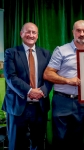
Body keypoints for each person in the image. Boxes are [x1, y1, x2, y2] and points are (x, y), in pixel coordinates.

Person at [2, 22, 53, 150]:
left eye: (34, 32)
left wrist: (42, 91)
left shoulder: (46, 54)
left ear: (37, 35)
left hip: (39, 107)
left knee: (38, 143)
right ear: (21, 34)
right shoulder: (11, 53)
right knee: (16, 144)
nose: (31, 35)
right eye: (28, 32)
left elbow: (50, 77)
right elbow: (10, 77)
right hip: (17, 106)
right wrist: (30, 90)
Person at [43, 20, 84, 150]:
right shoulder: (61, 50)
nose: (82, 34)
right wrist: (69, 81)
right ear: (73, 32)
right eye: (78, 30)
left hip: (81, 103)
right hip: (61, 100)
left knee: (77, 140)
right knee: (60, 139)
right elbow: (48, 74)